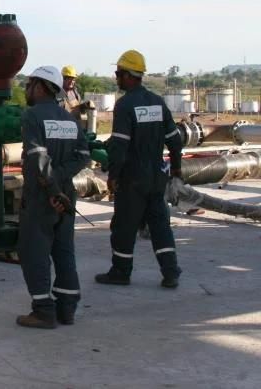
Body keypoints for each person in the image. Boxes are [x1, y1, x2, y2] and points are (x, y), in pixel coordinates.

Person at [95, 50, 183, 289]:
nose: (116, 78)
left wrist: (113, 176)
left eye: (118, 73)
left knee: (124, 225)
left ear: (129, 75)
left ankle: (121, 272)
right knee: (160, 225)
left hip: (133, 178)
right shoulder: (157, 102)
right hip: (157, 176)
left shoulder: (125, 105)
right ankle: (171, 271)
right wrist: (176, 171)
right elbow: (175, 142)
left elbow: (120, 147)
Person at [16, 66, 90, 329]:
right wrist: (60, 182)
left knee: (33, 251)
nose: (26, 89)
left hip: (42, 193)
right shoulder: (70, 119)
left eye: (29, 84)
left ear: (40, 86)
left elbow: (37, 157)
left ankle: (44, 310)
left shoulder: (32, 116)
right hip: (66, 194)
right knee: (63, 249)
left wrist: (51, 189)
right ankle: (67, 308)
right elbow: (83, 156)